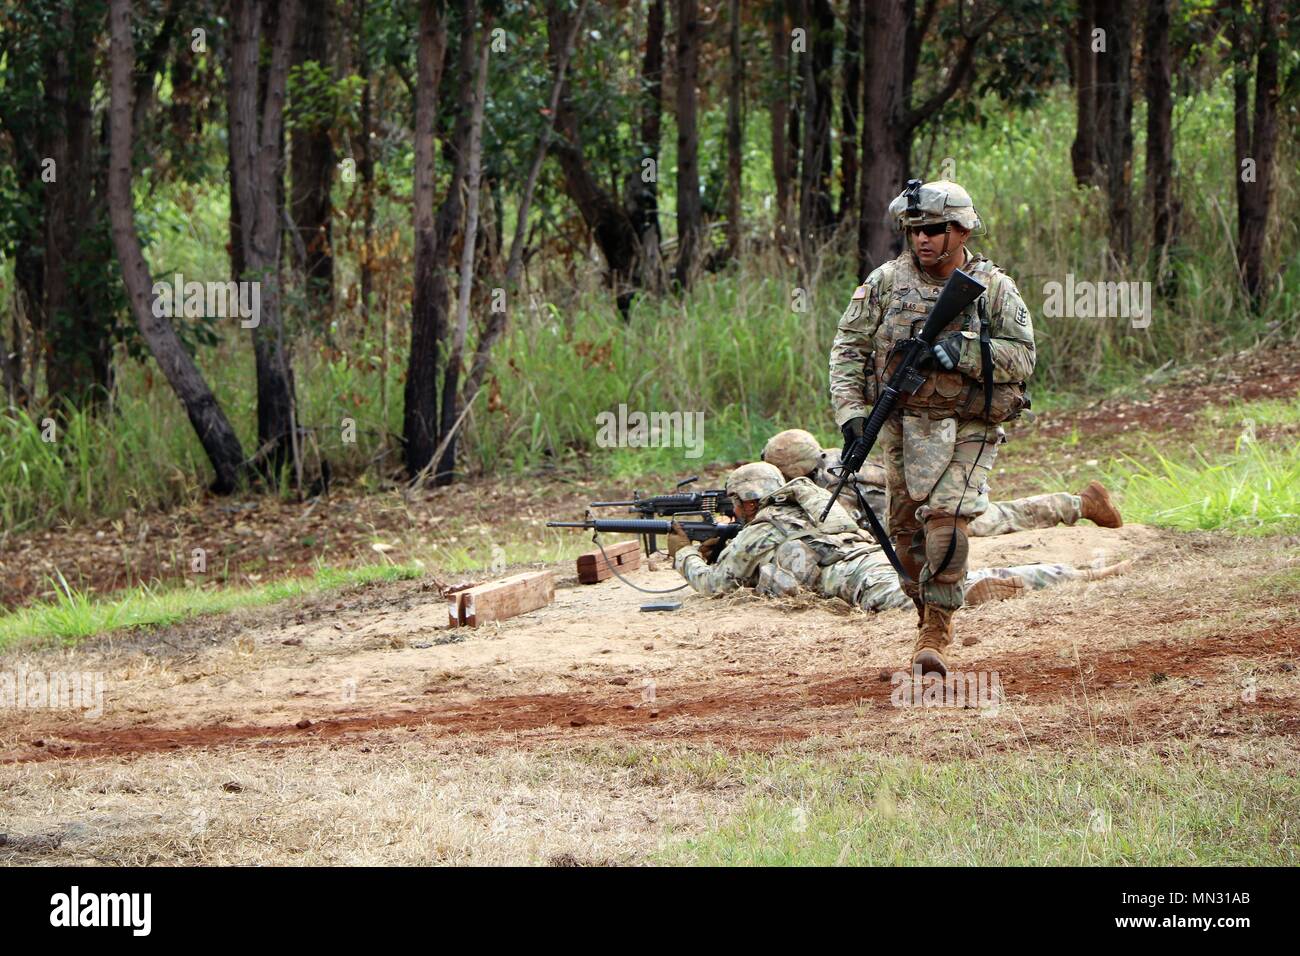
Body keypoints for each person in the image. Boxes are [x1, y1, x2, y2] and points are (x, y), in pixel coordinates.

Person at [829, 179, 1035, 677]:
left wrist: (962, 354)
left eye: (935, 229)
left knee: (947, 517)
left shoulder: (994, 288)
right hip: (903, 426)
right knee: (908, 536)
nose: (922, 240)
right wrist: (853, 417)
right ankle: (928, 615)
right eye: (914, 230)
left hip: (969, 421)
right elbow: (849, 349)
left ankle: (937, 629)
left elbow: (1024, 356)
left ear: (962, 230)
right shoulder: (884, 283)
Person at [668, 463, 1127, 613]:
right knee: (931, 580)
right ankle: (1080, 571)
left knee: (924, 599)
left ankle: (985, 590)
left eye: (736, 505)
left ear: (749, 503)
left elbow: (715, 586)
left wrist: (684, 555)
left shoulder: (761, 531)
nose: (733, 514)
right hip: (877, 555)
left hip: (855, 577)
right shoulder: (815, 502)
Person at [761, 428, 1123, 535]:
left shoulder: (831, 488)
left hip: (928, 515)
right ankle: (1080, 502)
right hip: (924, 501)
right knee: (999, 515)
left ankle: (1082, 504)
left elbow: (843, 532)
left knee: (1004, 518)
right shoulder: (837, 458)